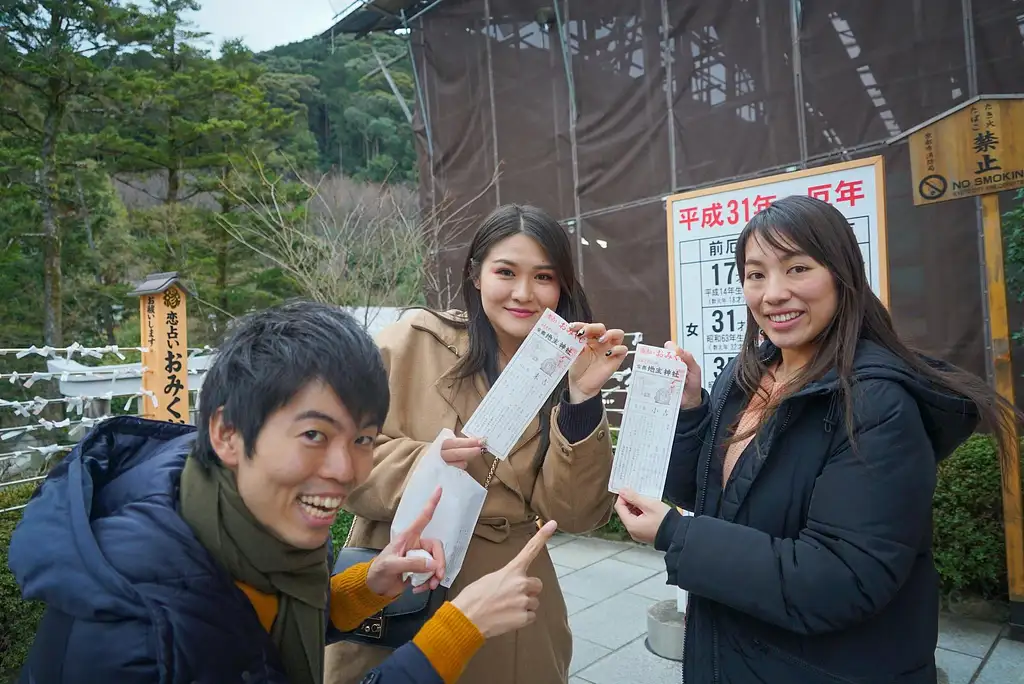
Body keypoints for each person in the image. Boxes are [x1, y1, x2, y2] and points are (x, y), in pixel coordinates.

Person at [8, 301, 560, 684]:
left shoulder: (239, 517)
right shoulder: (137, 633)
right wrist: (456, 630)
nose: (347, 469)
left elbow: (256, 627)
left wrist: (369, 584)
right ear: (227, 433)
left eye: (364, 438)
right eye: (314, 434)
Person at [614, 194, 1021, 684]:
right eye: (755, 273)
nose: (773, 293)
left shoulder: (876, 404)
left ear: (842, 274)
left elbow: (841, 579)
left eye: (797, 268)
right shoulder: (745, 377)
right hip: (729, 656)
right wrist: (690, 410)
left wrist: (675, 535)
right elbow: (706, 496)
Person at [325, 204, 629, 684]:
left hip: (507, 585)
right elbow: (336, 454)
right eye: (505, 272)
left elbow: (575, 513)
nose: (523, 293)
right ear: (475, 274)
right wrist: (424, 462)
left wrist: (581, 398)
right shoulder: (411, 343)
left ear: (562, 286)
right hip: (400, 572)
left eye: (544, 277)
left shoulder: (567, 363)